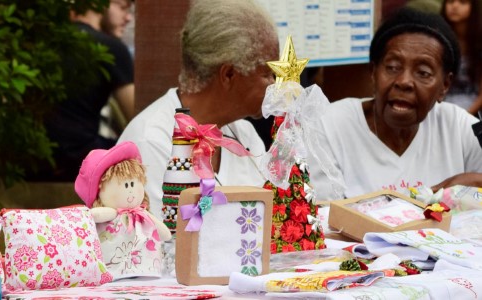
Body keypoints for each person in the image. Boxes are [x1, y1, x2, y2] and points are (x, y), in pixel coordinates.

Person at [117, 0, 279, 220]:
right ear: (229, 74)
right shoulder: (150, 143)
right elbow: (160, 247)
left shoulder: (245, 133)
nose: (275, 85)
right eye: (268, 74)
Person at [308, 8, 482, 200]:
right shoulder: (329, 125)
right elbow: (323, 218)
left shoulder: (459, 128)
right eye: (392, 67)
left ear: (445, 86)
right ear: (373, 72)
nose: (404, 81)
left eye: (423, 73)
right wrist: (432, 197)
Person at [43, 2, 135, 181]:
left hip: (32, 161)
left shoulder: (43, 43)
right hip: (81, 160)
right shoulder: (111, 48)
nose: (128, 17)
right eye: (123, 7)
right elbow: (136, 115)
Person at [441, 0, 482, 116]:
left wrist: (464, 117)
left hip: (471, 112)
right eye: (450, 1)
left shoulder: (479, 43)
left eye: (463, 2)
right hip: (440, 108)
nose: (454, 6)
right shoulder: (437, 41)